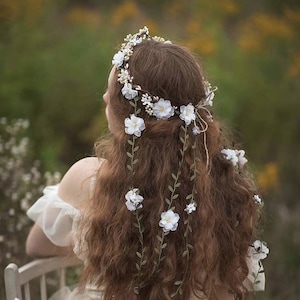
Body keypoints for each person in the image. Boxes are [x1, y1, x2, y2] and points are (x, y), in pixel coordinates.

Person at [26, 27, 269, 300]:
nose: (105, 98)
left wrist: (96, 239)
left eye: (110, 95)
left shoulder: (90, 178)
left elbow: (37, 246)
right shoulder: (224, 182)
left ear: (129, 117)